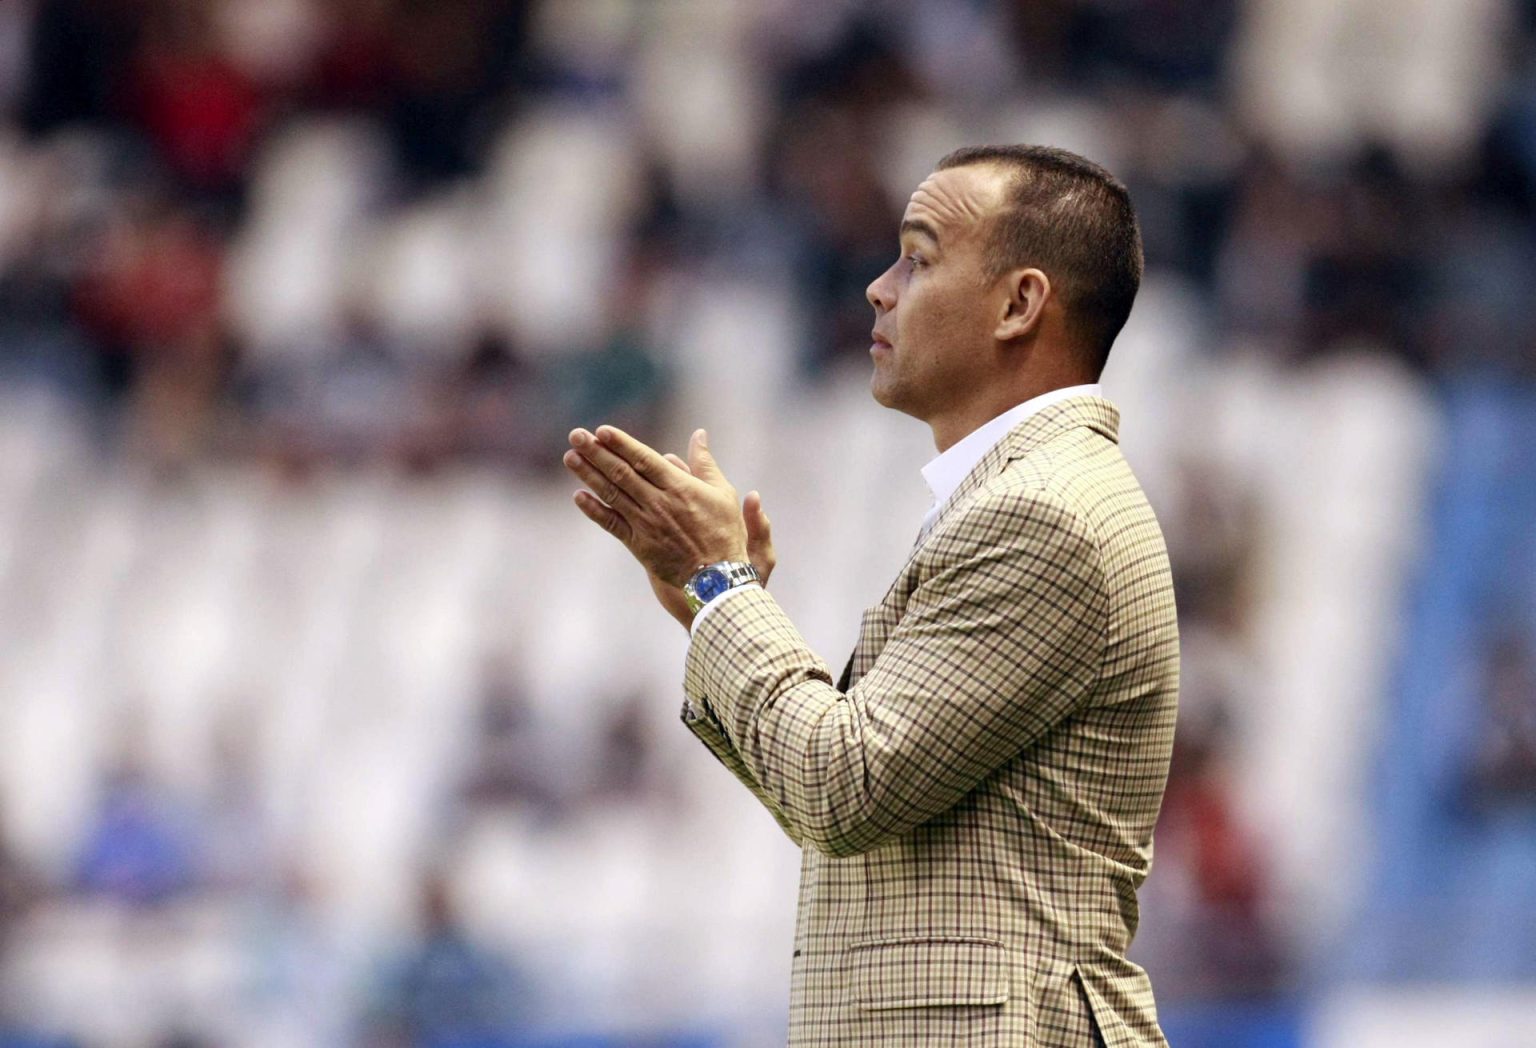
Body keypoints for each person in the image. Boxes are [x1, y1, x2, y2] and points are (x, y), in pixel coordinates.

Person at [563, 145, 1178, 1047]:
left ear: (1020, 304)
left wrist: (725, 588)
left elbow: (840, 788)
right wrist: (715, 605)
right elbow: (860, 814)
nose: (878, 289)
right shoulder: (1023, 499)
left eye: (918, 258)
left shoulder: (1043, 515)